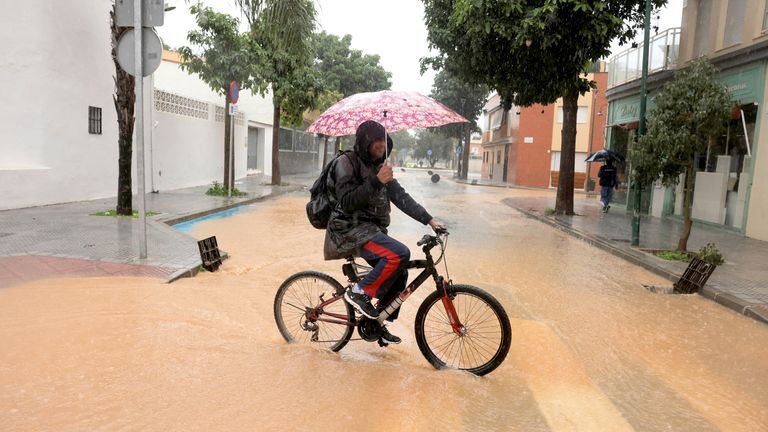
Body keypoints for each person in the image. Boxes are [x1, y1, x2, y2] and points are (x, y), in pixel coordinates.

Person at [324, 120, 445, 345]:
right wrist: (376, 181)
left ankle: (377, 322)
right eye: (376, 140)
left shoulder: (379, 167)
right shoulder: (346, 163)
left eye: (383, 140)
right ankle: (359, 292)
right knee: (398, 254)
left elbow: (401, 197)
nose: (381, 145)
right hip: (348, 230)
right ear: (365, 141)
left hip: (371, 230)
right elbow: (347, 202)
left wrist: (428, 219)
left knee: (401, 273)